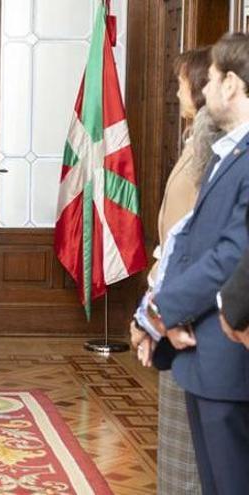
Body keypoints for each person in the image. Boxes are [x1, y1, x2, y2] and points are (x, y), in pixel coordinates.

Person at [146, 33, 249, 494]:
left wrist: (163, 308)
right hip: (205, 348)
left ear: (231, 84)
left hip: (227, 345)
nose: (203, 92)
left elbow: (231, 252)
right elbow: (189, 236)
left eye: (209, 79)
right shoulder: (228, 154)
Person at [131, 47, 214, 495]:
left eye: (181, 82)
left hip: (190, 307)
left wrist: (161, 311)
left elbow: (197, 239)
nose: (176, 90)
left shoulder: (213, 151)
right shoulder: (195, 140)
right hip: (172, 299)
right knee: (180, 432)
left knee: (191, 442)